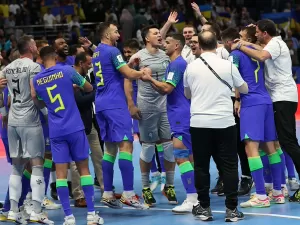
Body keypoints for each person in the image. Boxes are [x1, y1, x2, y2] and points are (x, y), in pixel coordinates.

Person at [32, 46, 104, 225]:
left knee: (62, 175)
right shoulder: (67, 70)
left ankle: (68, 217)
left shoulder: (37, 80)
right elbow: (88, 88)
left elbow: (37, 100)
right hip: (75, 127)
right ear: (55, 56)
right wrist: (73, 90)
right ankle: (91, 215)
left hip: (56, 131)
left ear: (40, 59)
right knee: (84, 170)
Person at [232, 19, 300, 201]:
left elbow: (261, 56)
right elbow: (257, 48)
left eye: (258, 33)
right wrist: (244, 43)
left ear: (265, 33)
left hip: (281, 98)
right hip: (274, 99)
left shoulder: (276, 44)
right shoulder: (269, 44)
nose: (256, 36)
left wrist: (239, 47)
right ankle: (279, 189)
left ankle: (276, 189)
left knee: (287, 142)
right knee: (278, 144)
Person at [184, 30, 248, 222]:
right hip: (224, 122)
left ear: (200, 46)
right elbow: (243, 88)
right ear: (217, 44)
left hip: (199, 122)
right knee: (229, 166)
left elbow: (187, 94)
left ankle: (204, 208)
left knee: (201, 166)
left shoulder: (191, 67)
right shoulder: (228, 65)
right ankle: (232, 210)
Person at [222, 27, 285, 208]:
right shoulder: (258, 52)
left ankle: (261, 196)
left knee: (251, 149)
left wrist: (237, 99)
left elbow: (233, 76)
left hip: (251, 102)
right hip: (266, 100)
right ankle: (278, 192)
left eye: (241, 37)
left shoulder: (235, 54)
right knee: (271, 147)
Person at [92, 22, 151, 209]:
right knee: (126, 146)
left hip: (100, 104)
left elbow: (112, 72)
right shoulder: (113, 51)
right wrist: (142, 72)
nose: (119, 34)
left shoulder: (96, 53)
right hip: (115, 105)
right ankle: (128, 193)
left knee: (109, 150)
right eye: (116, 31)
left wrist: (128, 65)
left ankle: (108, 193)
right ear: (108, 35)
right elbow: (126, 74)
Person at [0, 35, 52, 224]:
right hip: (30, 121)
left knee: (16, 167)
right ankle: (37, 211)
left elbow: (0, 94)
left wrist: (4, 113)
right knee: (37, 166)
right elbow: (34, 94)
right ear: (30, 47)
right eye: (34, 44)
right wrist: (48, 114)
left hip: (13, 122)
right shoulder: (35, 67)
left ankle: (14, 211)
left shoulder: (7, 68)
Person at [142, 33, 197, 213]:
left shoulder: (177, 64)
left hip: (180, 116)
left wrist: (149, 78)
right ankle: (196, 196)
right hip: (182, 114)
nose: (164, 45)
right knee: (189, 157)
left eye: (168, 42)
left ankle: (191, 199)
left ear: (177, 46)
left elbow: (166, 88)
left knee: (181, 156)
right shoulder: (177, 64)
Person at [127, 25, 177, 206]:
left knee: (169, 147)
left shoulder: (166, 54)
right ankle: (146, 187)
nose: (159, 35)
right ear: (147, 38)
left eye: (159, 33)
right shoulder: (138, 57)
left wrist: (169, 23)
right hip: (146, 107)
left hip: (165, 106)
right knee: (148, 149)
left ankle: (169, 186)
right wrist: (131, 105)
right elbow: (127, 79)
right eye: (155, 34)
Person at [123, 39, 162, 191]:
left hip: (149, 105)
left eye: (129, 52)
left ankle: (162, 173)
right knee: (143, 141)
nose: (127, 54)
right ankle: (155, 173)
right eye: (125, 52)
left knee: (156, 141)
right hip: (135, 107)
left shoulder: (144, 66)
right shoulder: (127, 68)